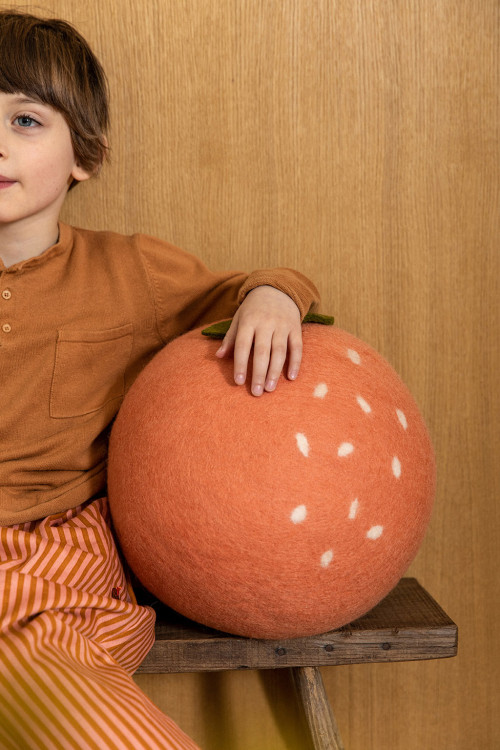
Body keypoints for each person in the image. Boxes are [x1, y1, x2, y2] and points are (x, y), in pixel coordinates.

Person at [0, 10, 320, 749]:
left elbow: (253, 286)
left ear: (84, 154)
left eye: (24, 120)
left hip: (50, 573)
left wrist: (275, 296)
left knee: (75, 708)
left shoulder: (128, 271)